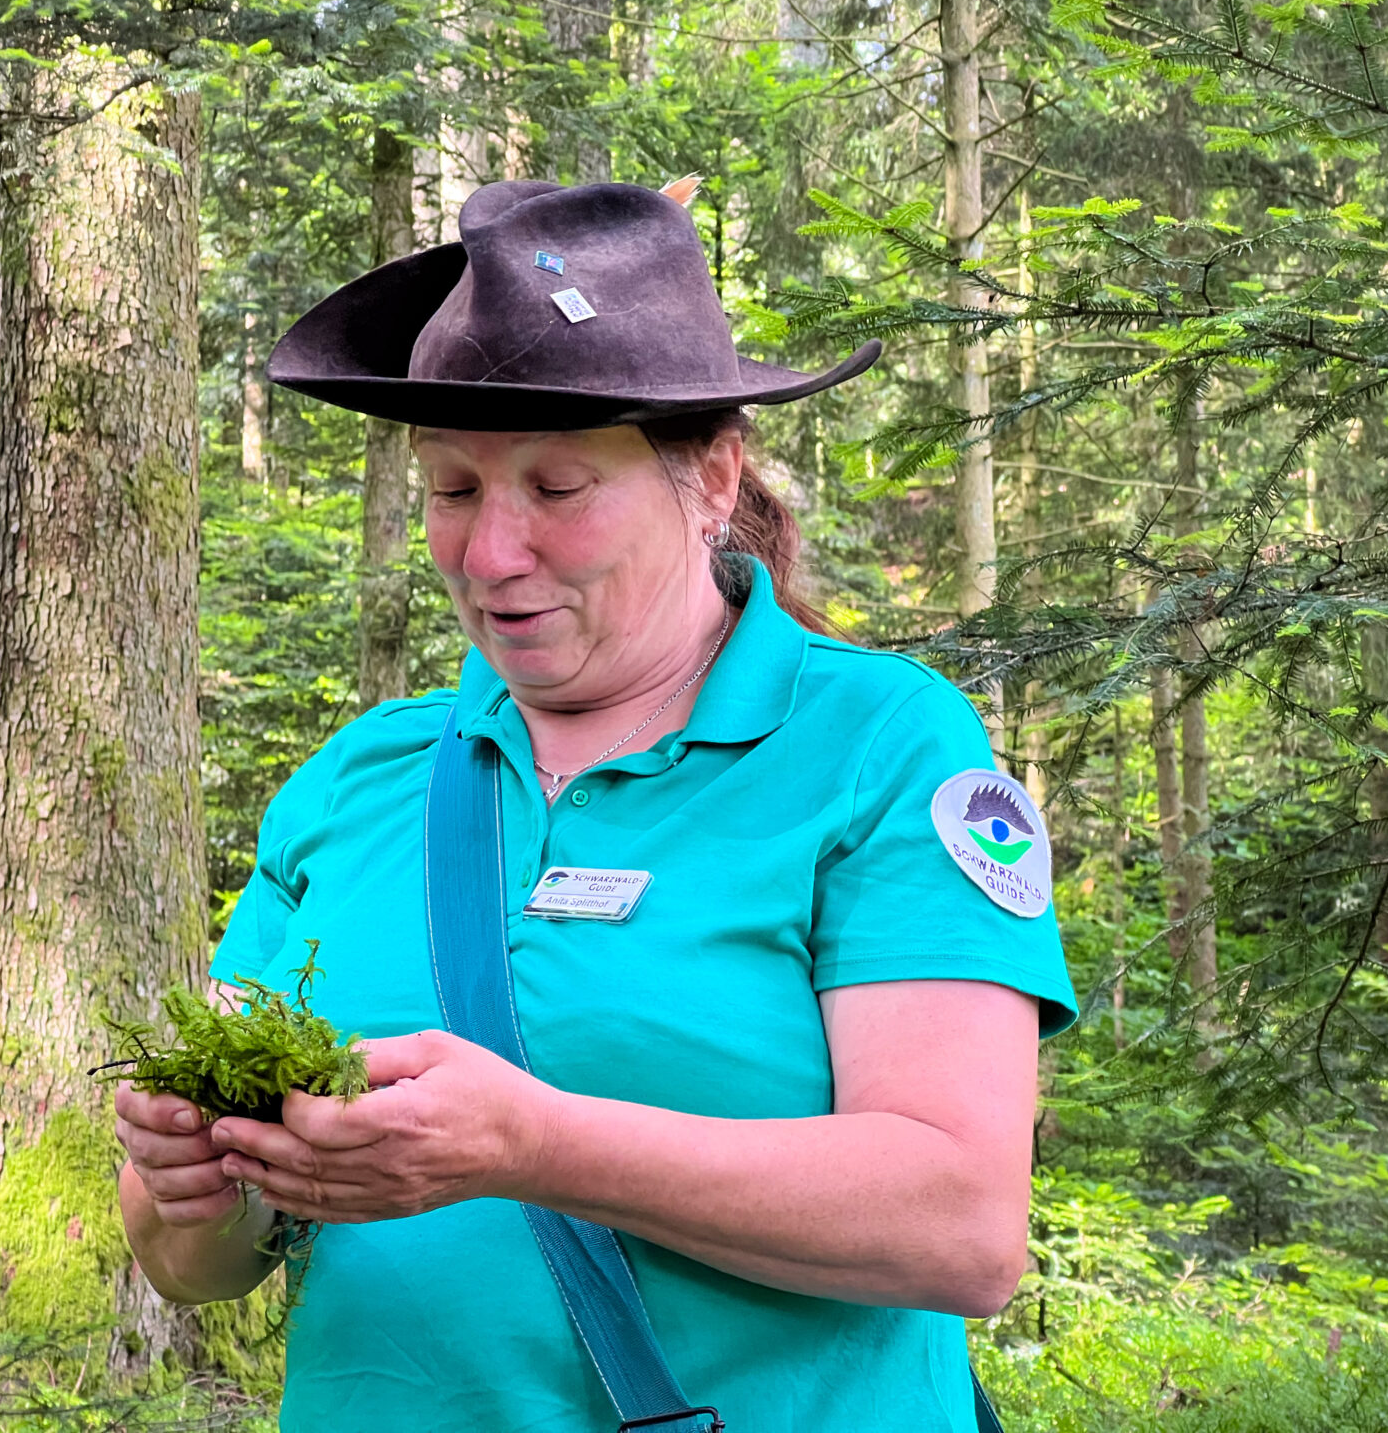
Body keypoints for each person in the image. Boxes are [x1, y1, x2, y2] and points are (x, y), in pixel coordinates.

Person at [113, 179, 1077, 1433]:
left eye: (559, 488)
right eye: (453, 489)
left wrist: (535, 1146)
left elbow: (962, 1225)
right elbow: (195, 1269)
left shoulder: (879, 743)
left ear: (712, 478)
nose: (490, 554)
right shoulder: (363, 775)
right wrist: (192, 1184)